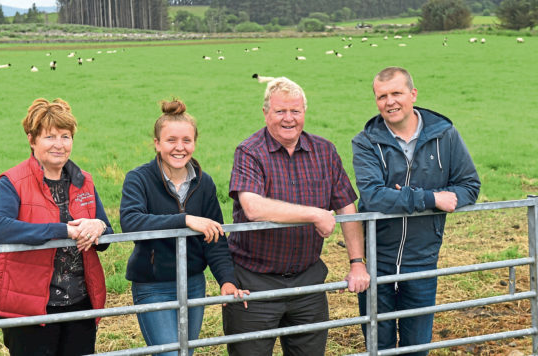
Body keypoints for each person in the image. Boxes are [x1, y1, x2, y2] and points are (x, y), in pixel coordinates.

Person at [222, 76, 370, 356]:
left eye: (295, 111)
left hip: (308, 281)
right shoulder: (250, 152)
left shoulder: (324, 151)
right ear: (265, 113)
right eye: (280, 111)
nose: (288, 119)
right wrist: (314, 214)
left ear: (304, 112)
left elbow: (347, 206)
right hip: (254, 283)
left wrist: (357, 263)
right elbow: (253, 207)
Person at [352, 66, 481, 355]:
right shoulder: (366, 142)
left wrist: (406, 197)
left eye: (396, 93)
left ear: (413, 94)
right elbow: (373, 196)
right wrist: (431, 198)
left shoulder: (444, 135)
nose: (390, 102)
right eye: (381, 96)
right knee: (377, 343)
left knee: (417, 345)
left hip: (423, 258)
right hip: (377, 259)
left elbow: (469, 185)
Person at [0, 98, 114, 356]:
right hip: (30, 306)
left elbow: (107, 238)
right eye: (50, 136)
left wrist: (98, 225)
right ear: (32, 140)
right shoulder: (13, 182)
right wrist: (62, 230)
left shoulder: (83, 181)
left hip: (80, 302)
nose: (59, 144)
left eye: (65, 136)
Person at [119, 98, 248, 356]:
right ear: (157, 144)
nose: (179, 148)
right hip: (152, 285)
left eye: (187, 140)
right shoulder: (139, 179)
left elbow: (215, 237)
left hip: (193, 283)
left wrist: (226, 280)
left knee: (185, 352)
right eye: (171, 140)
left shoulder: (204, 183)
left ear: (195, 143)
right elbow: (131, 221)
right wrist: (185, 220)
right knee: (170, 354)